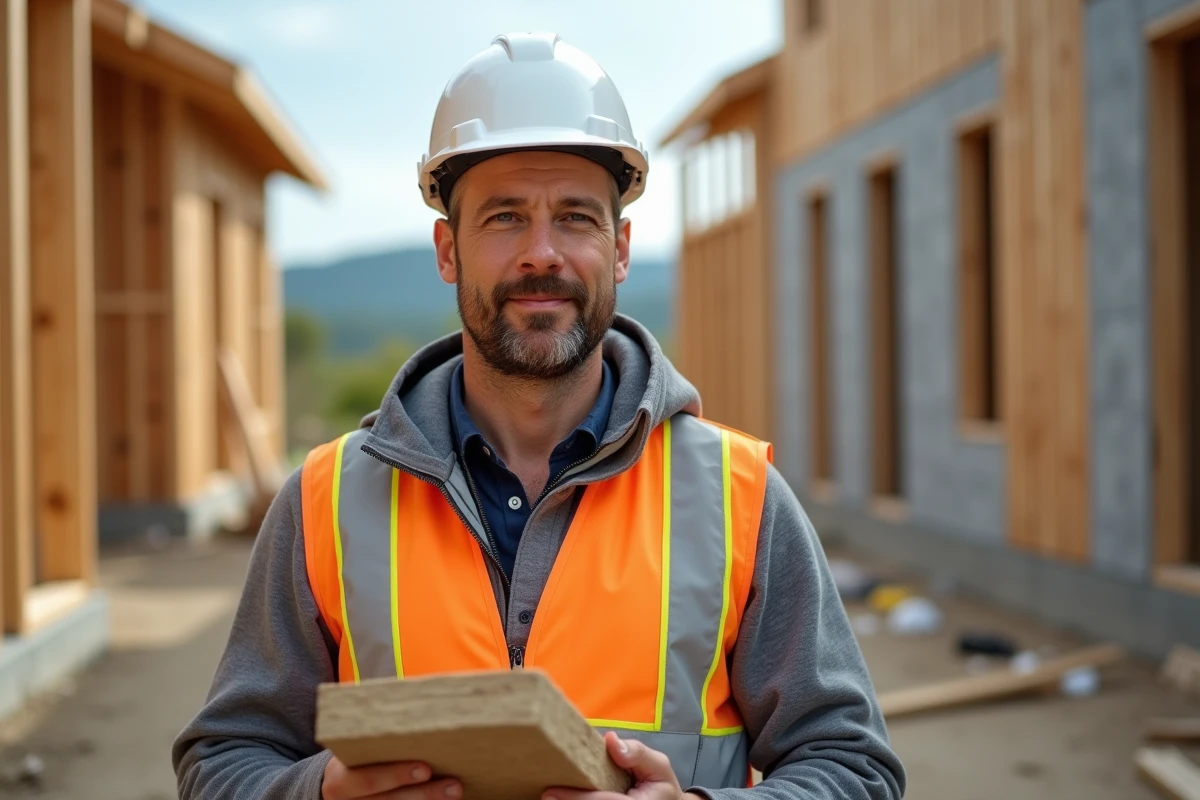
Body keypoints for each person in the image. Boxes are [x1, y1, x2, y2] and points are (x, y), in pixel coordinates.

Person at [173, 32, 905, 800]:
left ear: (620, 248)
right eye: (504, 218)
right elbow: (221, 765)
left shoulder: (740, 499)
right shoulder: (325, 502)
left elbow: (856, 771)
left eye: (576, 218)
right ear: (447, 250)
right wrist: (319, 792)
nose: (542, 253)